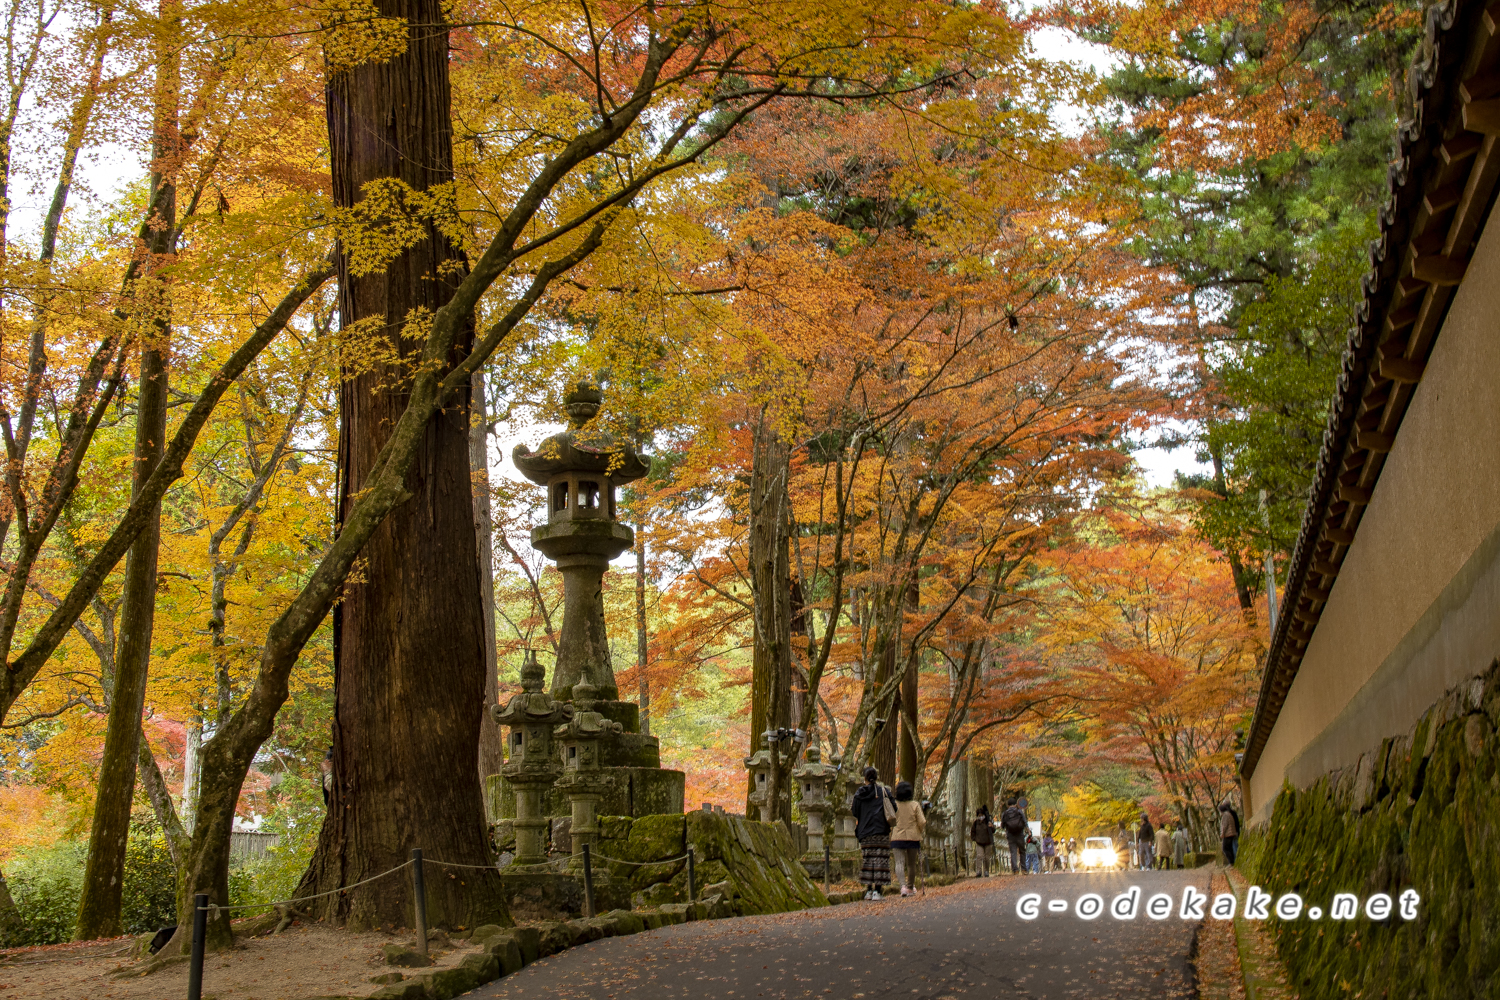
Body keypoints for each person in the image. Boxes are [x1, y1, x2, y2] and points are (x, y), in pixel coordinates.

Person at [851, 766, 895, 899]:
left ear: (864, 778)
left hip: (865, 832)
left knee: (868, 860)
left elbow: (854, 811)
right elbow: (894, 807)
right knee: (880, 860)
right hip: (881, 831)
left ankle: (869, 890)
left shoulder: (859, 793)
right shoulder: (884, 791)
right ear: (876, 778)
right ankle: (878, 891)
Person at [889, 780, 926, 896]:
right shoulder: (915, 805)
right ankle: (910, 886)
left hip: (897, 836)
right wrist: (919, 830)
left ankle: (902, 886)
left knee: (899, 862)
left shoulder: (894, 805)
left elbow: (890, 819)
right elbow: (922, 821)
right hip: (912, 837)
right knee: (911, 863)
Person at [1000, 799, 1027, 874]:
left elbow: (1002, 826)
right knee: (1022, 851)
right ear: (1015, 804)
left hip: (1010, 835)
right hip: (1020, 834)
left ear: (1008, 805)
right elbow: (1024, 821)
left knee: (1013, 852)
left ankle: (1015, 869)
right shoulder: (1019, 811)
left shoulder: (1005, 813)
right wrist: (1027, 830)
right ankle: (1024, 869)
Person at [969, 805, 995, 877]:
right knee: (979, 856)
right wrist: (974, 839)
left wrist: (992, 826)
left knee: (987, 857)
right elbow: (973, 831)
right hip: (979, 842)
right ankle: (978, 871)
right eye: (979, 815)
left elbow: (993, 831)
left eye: (982, 815)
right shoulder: (976, 823)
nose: (980, 817)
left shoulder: (988, 822)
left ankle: (986, 870)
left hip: (988, 842)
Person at [1219, 799, 1240, 865]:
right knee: (1232, 847)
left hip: (1228, 834)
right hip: (1234, 832)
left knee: (1225, 848)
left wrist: (1222, 834)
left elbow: (1224, 826)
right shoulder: (1232, 813)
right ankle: (1234, 861)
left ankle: (1232, 862)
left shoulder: (1226, 815)